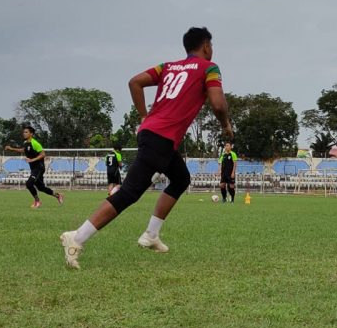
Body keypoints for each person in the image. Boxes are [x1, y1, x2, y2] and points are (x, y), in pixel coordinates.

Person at [60, 26, 232, 269]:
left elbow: (135, 82)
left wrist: (144, 116)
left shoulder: (168, 66)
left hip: (153, 133)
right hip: (161, 138)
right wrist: (226, 124)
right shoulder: (209, 68)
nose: (212, 50)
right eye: (211, 46)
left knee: (181, 178)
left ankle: (151, 235)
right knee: (129, 193)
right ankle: (76, 238)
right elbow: (217, 103)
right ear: (206, 46)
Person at [4, 126, 64, 208]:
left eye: (26, 132)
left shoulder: (35, 143)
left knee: (29, 183)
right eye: (24, 132)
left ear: (31, 134)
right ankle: (58, 195)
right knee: (41, 188)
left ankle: (37, 201)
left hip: (39, 167)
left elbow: (43, 154)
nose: (24, 134)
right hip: (34, 168)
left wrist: (33, 160)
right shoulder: (25, 143)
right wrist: (11, 149)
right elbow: (23, 150)